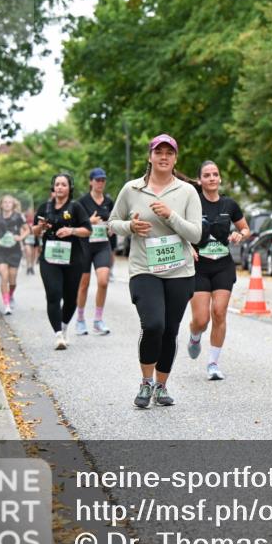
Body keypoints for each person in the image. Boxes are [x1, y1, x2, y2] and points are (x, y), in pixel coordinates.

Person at [108, 134, 202, 409]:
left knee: (169, 331)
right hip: (143, 268)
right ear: (150, 156)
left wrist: (170, 216)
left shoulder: (187, 192)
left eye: (169, 153)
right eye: (158, 152)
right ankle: (146, 382)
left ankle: (162, 385)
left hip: (179, 270)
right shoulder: (132, 189)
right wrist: (130, 228)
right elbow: (113, 223)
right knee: (153, 325)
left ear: (175, 158)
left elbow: (196, 234)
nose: (163, 156)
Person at [185, 161, 249, 380]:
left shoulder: (229, 204)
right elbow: (180, 229)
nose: (212, 178)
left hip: (223, 265)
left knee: (219, 312)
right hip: (199, 267)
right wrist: (187, 247)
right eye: (207, 175)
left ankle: (213, 363)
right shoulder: (193, 203)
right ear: (200, 180)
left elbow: (245, 228)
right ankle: (195, 335)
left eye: (215, 174)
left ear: (220, 179)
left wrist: (240, 235)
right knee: (201, 320)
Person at [32, 174, 91, 350]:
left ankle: (64, 327)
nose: (59, 187)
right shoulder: (45, 207)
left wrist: (71, 230)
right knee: (53, 294)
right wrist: (41, 227)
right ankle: (58, 334)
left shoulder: (75, 207)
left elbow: (88, 230)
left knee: (71, 297)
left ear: (69, 188)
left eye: (63, 184)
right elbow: (34, 230)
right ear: (53, 187)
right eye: (57, 184)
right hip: (50, 257)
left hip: (73, 258)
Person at [75, 168, 116, 336]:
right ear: (90, 182)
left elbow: (114, 219)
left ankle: (98, 320)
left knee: (103, 281)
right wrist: (89, 221)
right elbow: (75, 224)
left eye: (103, 180)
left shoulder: (108, 201)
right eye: (97, 180)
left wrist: (112, 227)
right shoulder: (82, 202)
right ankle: (80, 319)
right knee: (83, 284)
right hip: (84, 246)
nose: (100, 183)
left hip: (102, 246)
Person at [0, 194, 29, 315]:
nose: (7, 204)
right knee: (4, 276)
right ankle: (6, 304)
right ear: (1, 204)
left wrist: (20, 237)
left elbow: (27, 229)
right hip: (0, 250)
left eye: (9, 202)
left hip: (14, 250)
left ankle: (10, 295)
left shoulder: (18, 217)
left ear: (13, 204)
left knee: (12, 279)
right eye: (4, 202)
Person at [23, 206, 39, 275]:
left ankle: (32, 267)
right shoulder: (25, 220)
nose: (30, 214)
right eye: (29, 213)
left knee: (33, 253)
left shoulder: (36, 220)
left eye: (31, 213)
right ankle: (28, 266)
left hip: (35, 238)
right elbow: (22, 229)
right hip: (27, 238)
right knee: (28, 252)